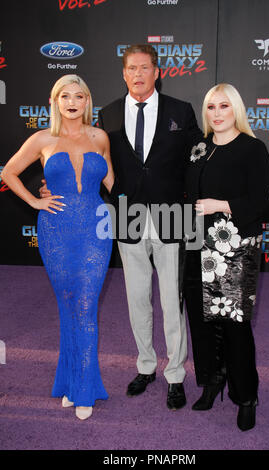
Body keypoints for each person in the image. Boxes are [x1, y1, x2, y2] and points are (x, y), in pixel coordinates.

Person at [1, 74, 115, 421]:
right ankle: (68, 381)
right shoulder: (42, 139)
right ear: (55, 101)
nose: (71, 102)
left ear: (87, 101)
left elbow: (111, 181)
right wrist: (36, 201)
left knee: (85, 303)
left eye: (78, 96)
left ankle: (84, 390)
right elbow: (8, 172)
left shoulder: (100, 136)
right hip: (56, 231)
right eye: (64, 96)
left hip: (96, 229)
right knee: (68, 305)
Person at [97, 44, 203, 409]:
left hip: (173, 215)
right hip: (128, 214)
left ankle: (175, 373)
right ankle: (145, 365)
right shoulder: (108, 113)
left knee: (173, 300)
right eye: (131, 68)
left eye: (145, 67)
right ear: (124, 73)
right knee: (136, 297)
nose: (138, 74)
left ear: (157, 72)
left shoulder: (181, 111)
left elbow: (199, 162)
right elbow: (98, 161)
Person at [183, 83, 269, 431]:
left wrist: (222, 205)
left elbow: (262, 199)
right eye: (210, 107)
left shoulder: (252, 149)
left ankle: (246, 396)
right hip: (198, 245)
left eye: (224, 106)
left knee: (235, 326)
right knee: (203, 323)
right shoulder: (199, 149)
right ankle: (212, 381)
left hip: (236, 247)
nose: (217, 113)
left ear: (236, 109)